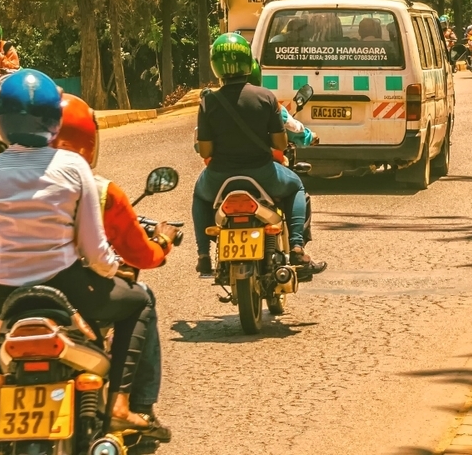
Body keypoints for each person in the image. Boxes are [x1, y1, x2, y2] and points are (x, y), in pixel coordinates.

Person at [0, 70, 158, 452]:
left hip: (2, 297)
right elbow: (96, 252)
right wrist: (114, 271)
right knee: (141, 301)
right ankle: (119, 403)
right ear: (55, 120)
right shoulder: (73, 167)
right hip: (71, 290)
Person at [50, 93, 175, 444]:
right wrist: (163, 241)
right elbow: (137, 256)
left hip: (14, 292)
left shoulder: (1, 177)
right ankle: (134, 405)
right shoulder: (99, 190)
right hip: (80, 290)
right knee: (142, 298)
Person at [192, 33, 327, 279]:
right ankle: (296, 247)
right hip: (264, 174)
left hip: (219, 177)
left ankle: (203, 256)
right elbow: (280, 142)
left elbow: (206, 151)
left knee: (199, 194)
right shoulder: (266, 97)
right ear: (248, 62)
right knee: (297, 186)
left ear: (215, 65)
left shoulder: (207, 102)